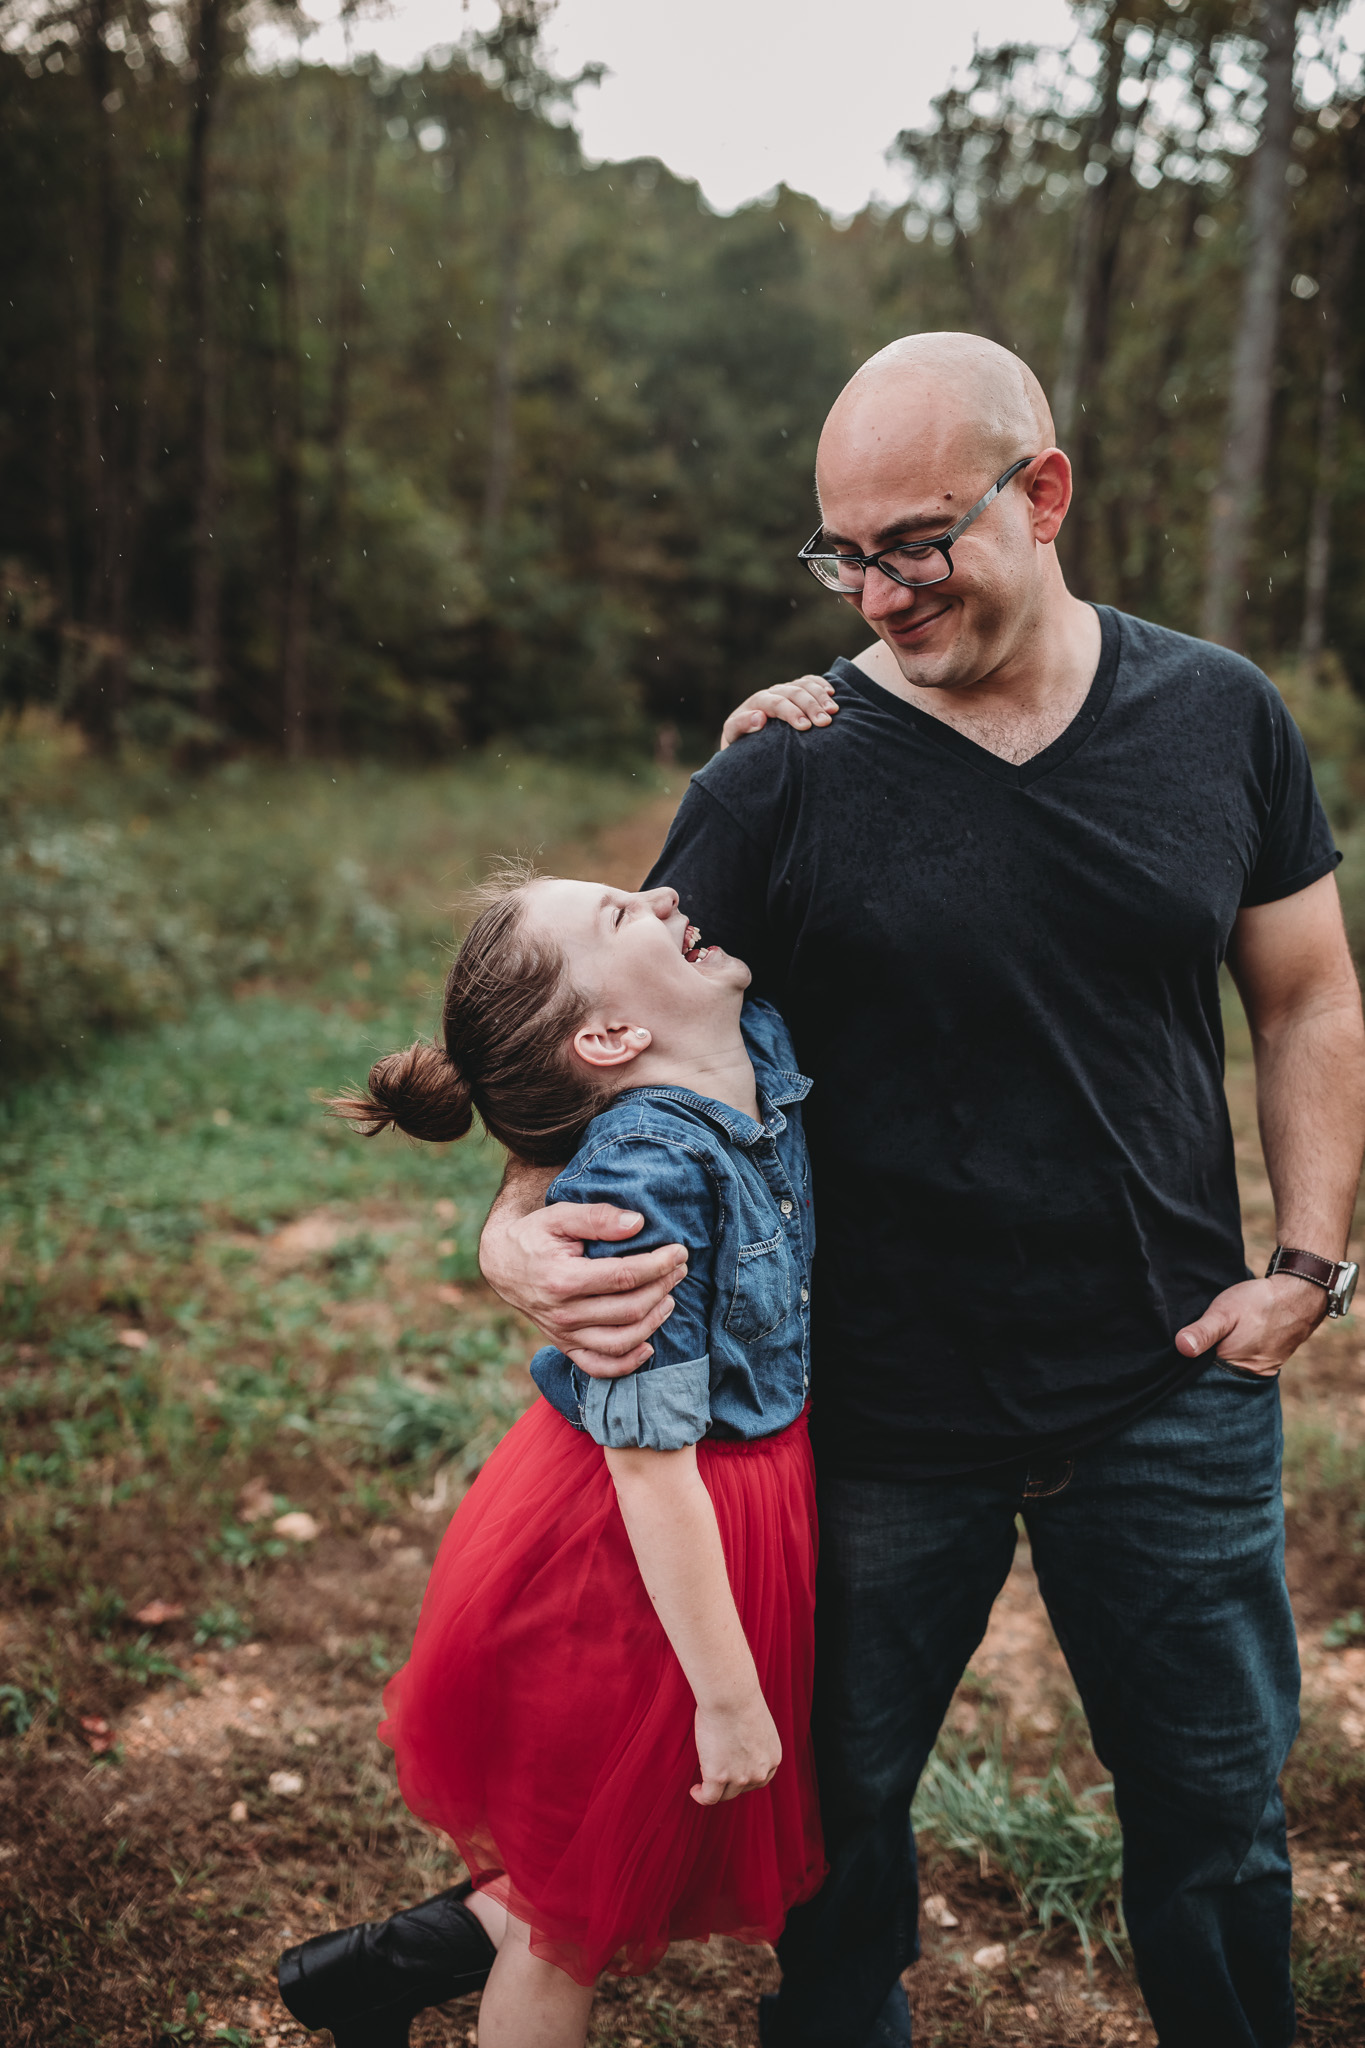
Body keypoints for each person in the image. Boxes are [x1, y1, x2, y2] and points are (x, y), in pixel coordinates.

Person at [477, 334, 1365, 2048]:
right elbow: (591, 1035)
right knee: (840, 1845)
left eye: (915, 542)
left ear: (1042, 495)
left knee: (1219, 1825)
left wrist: (1313, 1262)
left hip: (1169, 1383)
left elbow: (1310, 990)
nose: (877, 593)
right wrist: (514, 1226)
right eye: (843, 552)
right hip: (870, 1412)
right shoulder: (781, 770)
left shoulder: (1221, 717)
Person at [276, 866, 825, 2048]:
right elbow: (650, 1464)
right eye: (626, 914)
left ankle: (374, 1973)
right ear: (615, 1033)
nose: (671, 892)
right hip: (637, 1547)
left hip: (733, 1512)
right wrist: (731, 1697)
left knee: (604, 1846)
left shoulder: (742, 1042)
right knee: (566, 1916)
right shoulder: (642, 1182)